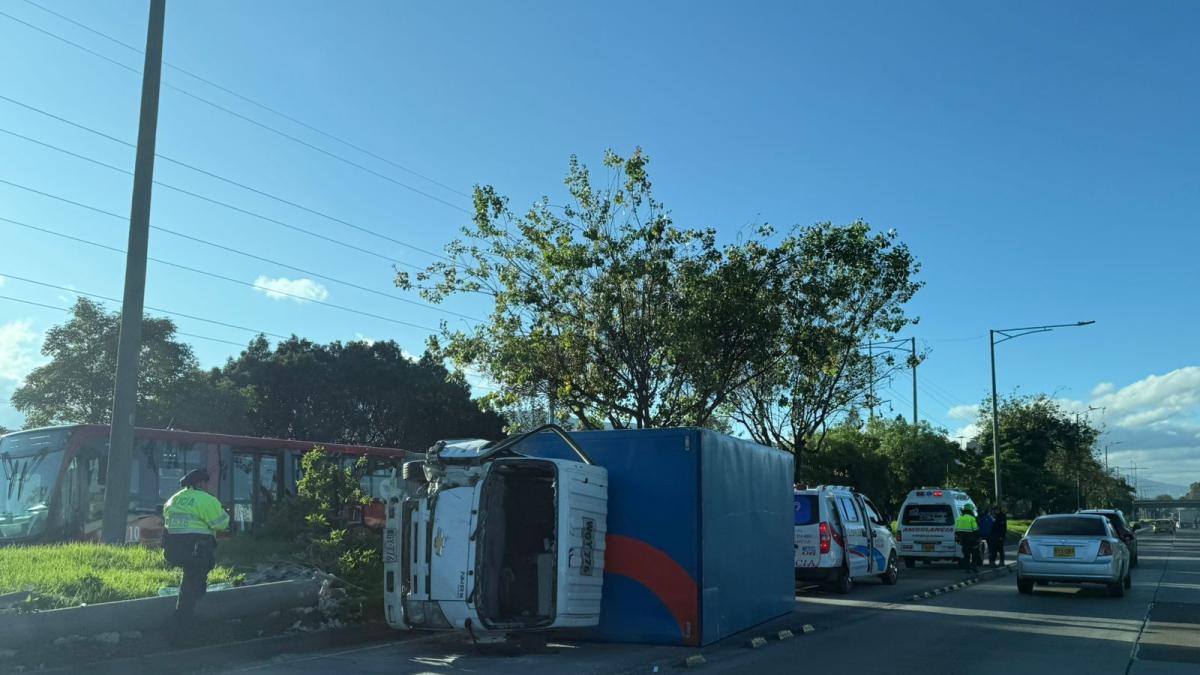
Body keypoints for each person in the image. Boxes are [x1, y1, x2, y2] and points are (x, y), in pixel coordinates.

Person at [162, 468, 230, 645]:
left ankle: (187, 616)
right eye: (207, 483)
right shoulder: (206, 500)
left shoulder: (173, 499)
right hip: (197, 550)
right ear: (201, 483)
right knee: (192, 586)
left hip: (175, 550)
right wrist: (224, 513)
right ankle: (183, 627)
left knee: (190, 583)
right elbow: (222, 523)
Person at [954, 504, 981, 573]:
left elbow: (956, 531)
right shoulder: (972, 518)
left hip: (963, 541)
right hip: (972, 540)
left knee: (966, 555)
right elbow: (975, 530)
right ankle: (974, 567)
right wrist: (978, 538)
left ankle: (967, 568)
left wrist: (958, 539)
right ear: (970, 511)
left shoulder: (959, 518)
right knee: (975, 554)